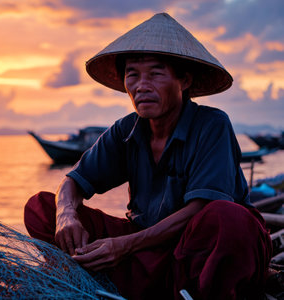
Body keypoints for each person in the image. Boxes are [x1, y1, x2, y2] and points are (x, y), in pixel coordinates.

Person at [24, 13, 272, 299]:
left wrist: (125, 246)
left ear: (184, 79)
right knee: (41, 207)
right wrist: (66, 214)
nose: (142, 85)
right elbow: (73, 182)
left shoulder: (212, 125)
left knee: (227, 217)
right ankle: (115, 282)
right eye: (133, 74)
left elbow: (202, 208)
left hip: (204, 252)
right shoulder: (125, 130)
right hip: (149, 253)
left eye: (155, 73)